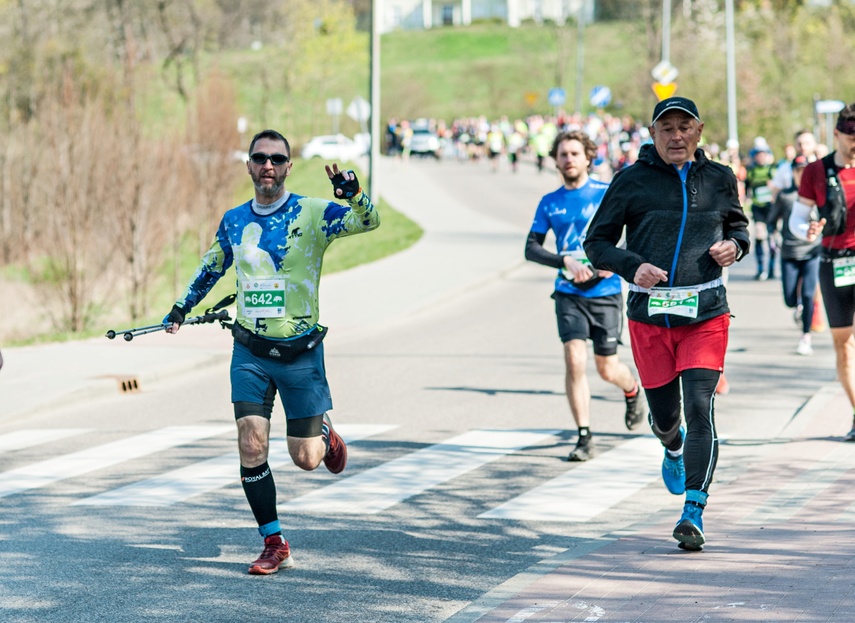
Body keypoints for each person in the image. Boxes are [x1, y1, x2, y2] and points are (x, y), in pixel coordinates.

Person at [164, 129, 380, 574]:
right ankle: (274, 541)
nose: (268, 165)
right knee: (250, 441)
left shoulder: (314, 213)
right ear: (248, 165)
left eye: (277, 159)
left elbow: (369, 222)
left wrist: (355, 196)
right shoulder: (233, 219)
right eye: (259, 158)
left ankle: (323, 434)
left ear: (287, 167)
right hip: (250, 351)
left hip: (301, 353)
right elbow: (211, 267)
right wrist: (182, 308)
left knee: (306, 460)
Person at [584, 97, 749, 551]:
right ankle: (671, 446)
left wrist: (735, 246)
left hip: (705, 312)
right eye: (666, 129)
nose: (676, 136)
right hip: (650, 315)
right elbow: (596, 242)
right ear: (653, 135)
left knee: (700, 407)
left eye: (684, 127)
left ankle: (693, 511)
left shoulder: (719, 179)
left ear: (698, 131)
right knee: (666, 417)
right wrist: (631, 265)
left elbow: (740, 229)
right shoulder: (631, 181)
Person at [525, 130, 646, 463]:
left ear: (588, 157)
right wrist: (562, 259)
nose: (568, 160)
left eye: (575, 154)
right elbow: (531, 248)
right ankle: (584, 435)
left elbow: (633, 235)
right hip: (568, 292)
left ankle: (632, 390)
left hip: (605, 292)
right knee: (574, 360)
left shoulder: (606, 193)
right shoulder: (550, 202)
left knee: (607, 368)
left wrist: (614, 262)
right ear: (556, 160)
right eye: (563, 154)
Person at [789, 103, 855, 440]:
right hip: (834, 262)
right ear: (838, 134)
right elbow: (798, 219)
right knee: (843, 345)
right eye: (850, 137)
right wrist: (808, 230)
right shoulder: (817, 171)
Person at [768, 155, 821, 355]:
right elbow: (772, 220)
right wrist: (774, 239)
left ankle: (806, 337)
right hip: (789, 252)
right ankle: (797, 307)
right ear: (793, 173)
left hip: (812, 252)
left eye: (806, 170)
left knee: (808, 294)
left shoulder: (818, 195)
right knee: (790, 298)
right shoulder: (785, 196)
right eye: (799, 170)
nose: (802, 174)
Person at [745, 140, 778, 280]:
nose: (760, 157)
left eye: (763, 155)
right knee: (759, 234)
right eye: (758, 155)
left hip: (771, 208)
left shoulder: (772, 170)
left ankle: (771, 268)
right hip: (758, 207)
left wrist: (773, 190)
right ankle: (760, 268)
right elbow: (747, 188)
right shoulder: (751, 171)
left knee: (772, 238)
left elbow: (778, 188)